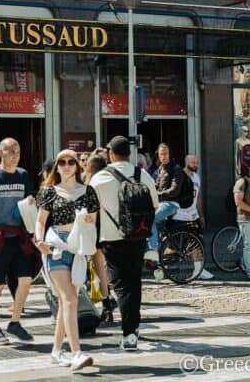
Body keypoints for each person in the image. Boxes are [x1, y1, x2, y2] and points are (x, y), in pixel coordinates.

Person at [90, 136, 158, 351]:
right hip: (138, 237)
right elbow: (155, 205)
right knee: (134, 282)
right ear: (129, 154)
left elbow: (89, 211)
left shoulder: (99, 178)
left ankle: (129, 333)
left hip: (111, 238)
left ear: (110, 153)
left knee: (121, 286)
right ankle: (133, 327)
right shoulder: (143, 175)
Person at [35, 149, 99, 370]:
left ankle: (56, 350)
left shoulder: (88, 191)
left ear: (77, 166)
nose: (67, 165)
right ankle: (77, 352)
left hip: (78, 246)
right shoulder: (49, 191)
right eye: (62, 162)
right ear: (57, 167)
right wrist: (39, 240)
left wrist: (87, 219)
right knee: (70, 297)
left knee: (65, 301)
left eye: (71, 161)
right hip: (56, 245)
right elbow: (41, 221)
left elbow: (93, 221)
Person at [0, 137, 38, 345]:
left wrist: (31, 204)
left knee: (26, 279)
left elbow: (28, 201)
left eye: (18, 151)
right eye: (11, 151)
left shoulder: (23, 175)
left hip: (19, 236)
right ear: (1, 153)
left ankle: (15, 322)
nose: (15, 155)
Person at [169, 155, 214, 280]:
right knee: (175, 246)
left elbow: (198, 197)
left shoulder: (196, 177)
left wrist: (201, 215)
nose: (195, 165)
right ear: (186, 162)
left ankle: (199, 269)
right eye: (193, 162)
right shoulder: (180, 176)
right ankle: (162, 267)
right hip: (179, 215)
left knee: (197, 242)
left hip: (192, 214)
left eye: (197, 162)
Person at [84, 154, 117, 323]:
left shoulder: (91, 185)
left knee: (98, 269)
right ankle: (107, 300)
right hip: (111, 230)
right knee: (103, 269)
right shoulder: (112, 180)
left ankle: (106, 303)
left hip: (94, 231)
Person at [149, 143, 185, 256]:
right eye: (161, 154)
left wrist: (157, 195)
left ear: (169, 154)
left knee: (151, 220)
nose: (163, 157)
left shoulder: (176, 168)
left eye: (165, 154)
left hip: (172, 203)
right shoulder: (160, 169)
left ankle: (153, 251)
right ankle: (159, 261)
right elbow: (155, 186)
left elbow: (174, 191)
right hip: (160, 203)